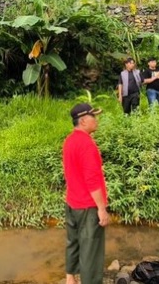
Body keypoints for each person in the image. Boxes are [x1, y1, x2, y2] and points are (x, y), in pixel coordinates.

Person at [63, 103, 109, 284]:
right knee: (91, 250)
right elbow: (92, 180)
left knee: (73, 241)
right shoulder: (87, 145)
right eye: (93, 117)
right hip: (87, 206)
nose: (96, 120)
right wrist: (101, 209)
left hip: (72, 202)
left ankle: (70, 278)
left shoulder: (70, 140)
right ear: (83, 121)